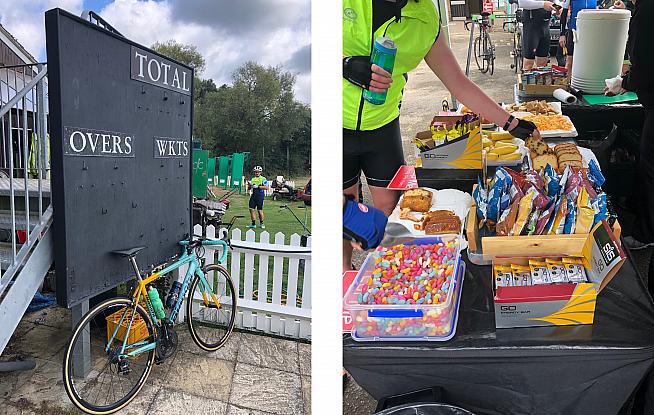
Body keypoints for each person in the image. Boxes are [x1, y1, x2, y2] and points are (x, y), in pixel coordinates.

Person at [342, 0, 540, 271]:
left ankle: (389, 274)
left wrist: (511, 123)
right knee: (345, 210)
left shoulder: (424, 16)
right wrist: (344, 65)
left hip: (382, 125)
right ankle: (344, 271)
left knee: (393, 210)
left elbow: (458, 82)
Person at [604, 0, 654, 251]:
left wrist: (624, 82)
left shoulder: (647, 9)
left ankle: (646, 233)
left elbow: (646, 65)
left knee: (650, 168)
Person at [558, 0, 597, 77]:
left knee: (590, 61)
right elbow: (564, 14)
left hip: (591, 32)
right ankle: (567, 82)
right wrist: (562, 34)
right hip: (574, 31)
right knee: (570, 61)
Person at [518, 0, 556, 70]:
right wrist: (543, 4)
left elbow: (554, 2)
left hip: (545, 24)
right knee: (529, 62)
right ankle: (526, 76)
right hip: (531, 24)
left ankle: (540, 77)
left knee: (543, 62)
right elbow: (522, 3)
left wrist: (558, 8)